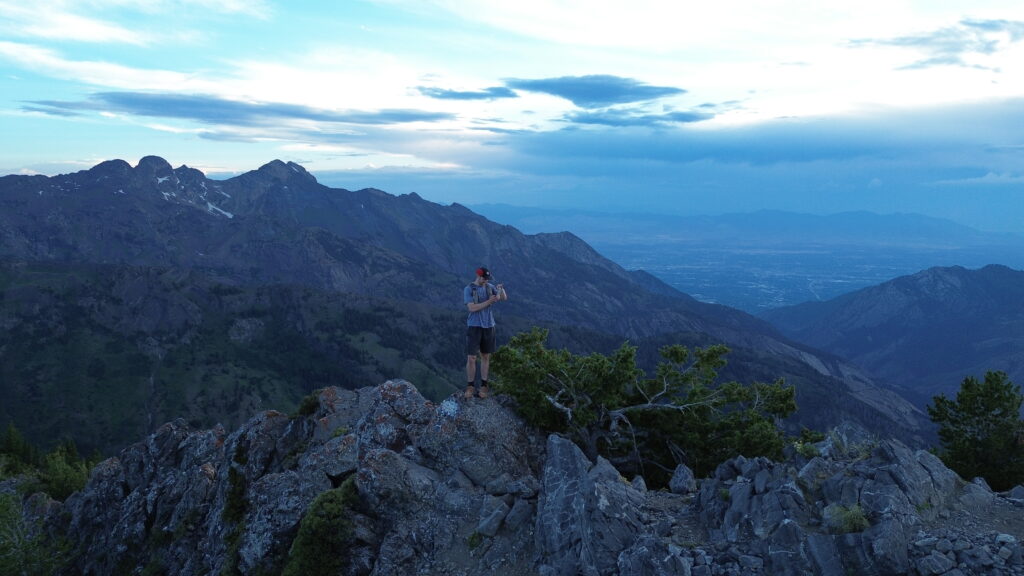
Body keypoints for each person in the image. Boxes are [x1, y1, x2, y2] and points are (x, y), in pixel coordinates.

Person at [464, 266, 507, 399]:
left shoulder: (490, 286)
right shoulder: (469, 289)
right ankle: (470, 386)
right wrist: (489, 301)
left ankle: (484, 385)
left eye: (488, 279)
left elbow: (503, 298)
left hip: (489, 325)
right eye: (485, 278)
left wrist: (501, 290)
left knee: (485, 356)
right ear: (479, 276)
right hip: (475, 326)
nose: (486, 281)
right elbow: (471, 308)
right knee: (471, 358)